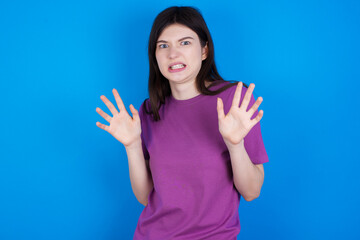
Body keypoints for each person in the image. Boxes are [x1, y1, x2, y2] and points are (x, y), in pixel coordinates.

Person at [96, 6, 269, 240]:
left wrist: (234, 144)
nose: (173, 54)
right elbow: (145, 197)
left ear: (205, 49)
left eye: (185, 43)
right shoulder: (149, 111)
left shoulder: (235, 101)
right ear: (154, 55)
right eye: (163, 45)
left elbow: (251, 191)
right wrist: (132, 145)